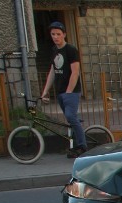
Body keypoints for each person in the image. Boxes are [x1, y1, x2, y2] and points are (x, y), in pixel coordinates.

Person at [40, 21, 87, 158]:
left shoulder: (71, 50)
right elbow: (53, 72)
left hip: (71, 92)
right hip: (60, 91)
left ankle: (82, 146)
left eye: (58, 34)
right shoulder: (54, 50)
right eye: (53, 34)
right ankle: (75, 147)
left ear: (64, 35)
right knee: (70, 119)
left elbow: (75, 72)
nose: (55, 37)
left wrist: (69, 91)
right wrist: (45, 91)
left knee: (71, 116)